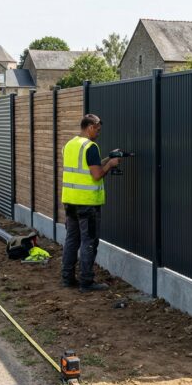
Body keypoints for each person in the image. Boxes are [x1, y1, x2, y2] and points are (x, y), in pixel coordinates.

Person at [60, 114, 121, 292]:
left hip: (70, 202)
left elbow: (87, 168)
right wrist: (110, 165)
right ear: (90, 127)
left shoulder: (70, 145)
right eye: (98, 129)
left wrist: (107, 159)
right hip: (87, 203)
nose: (99, 133)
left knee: (72, 240)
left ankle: (67, 277)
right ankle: (86, 282)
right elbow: (96, 175)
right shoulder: (91, 147)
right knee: (89, 242)